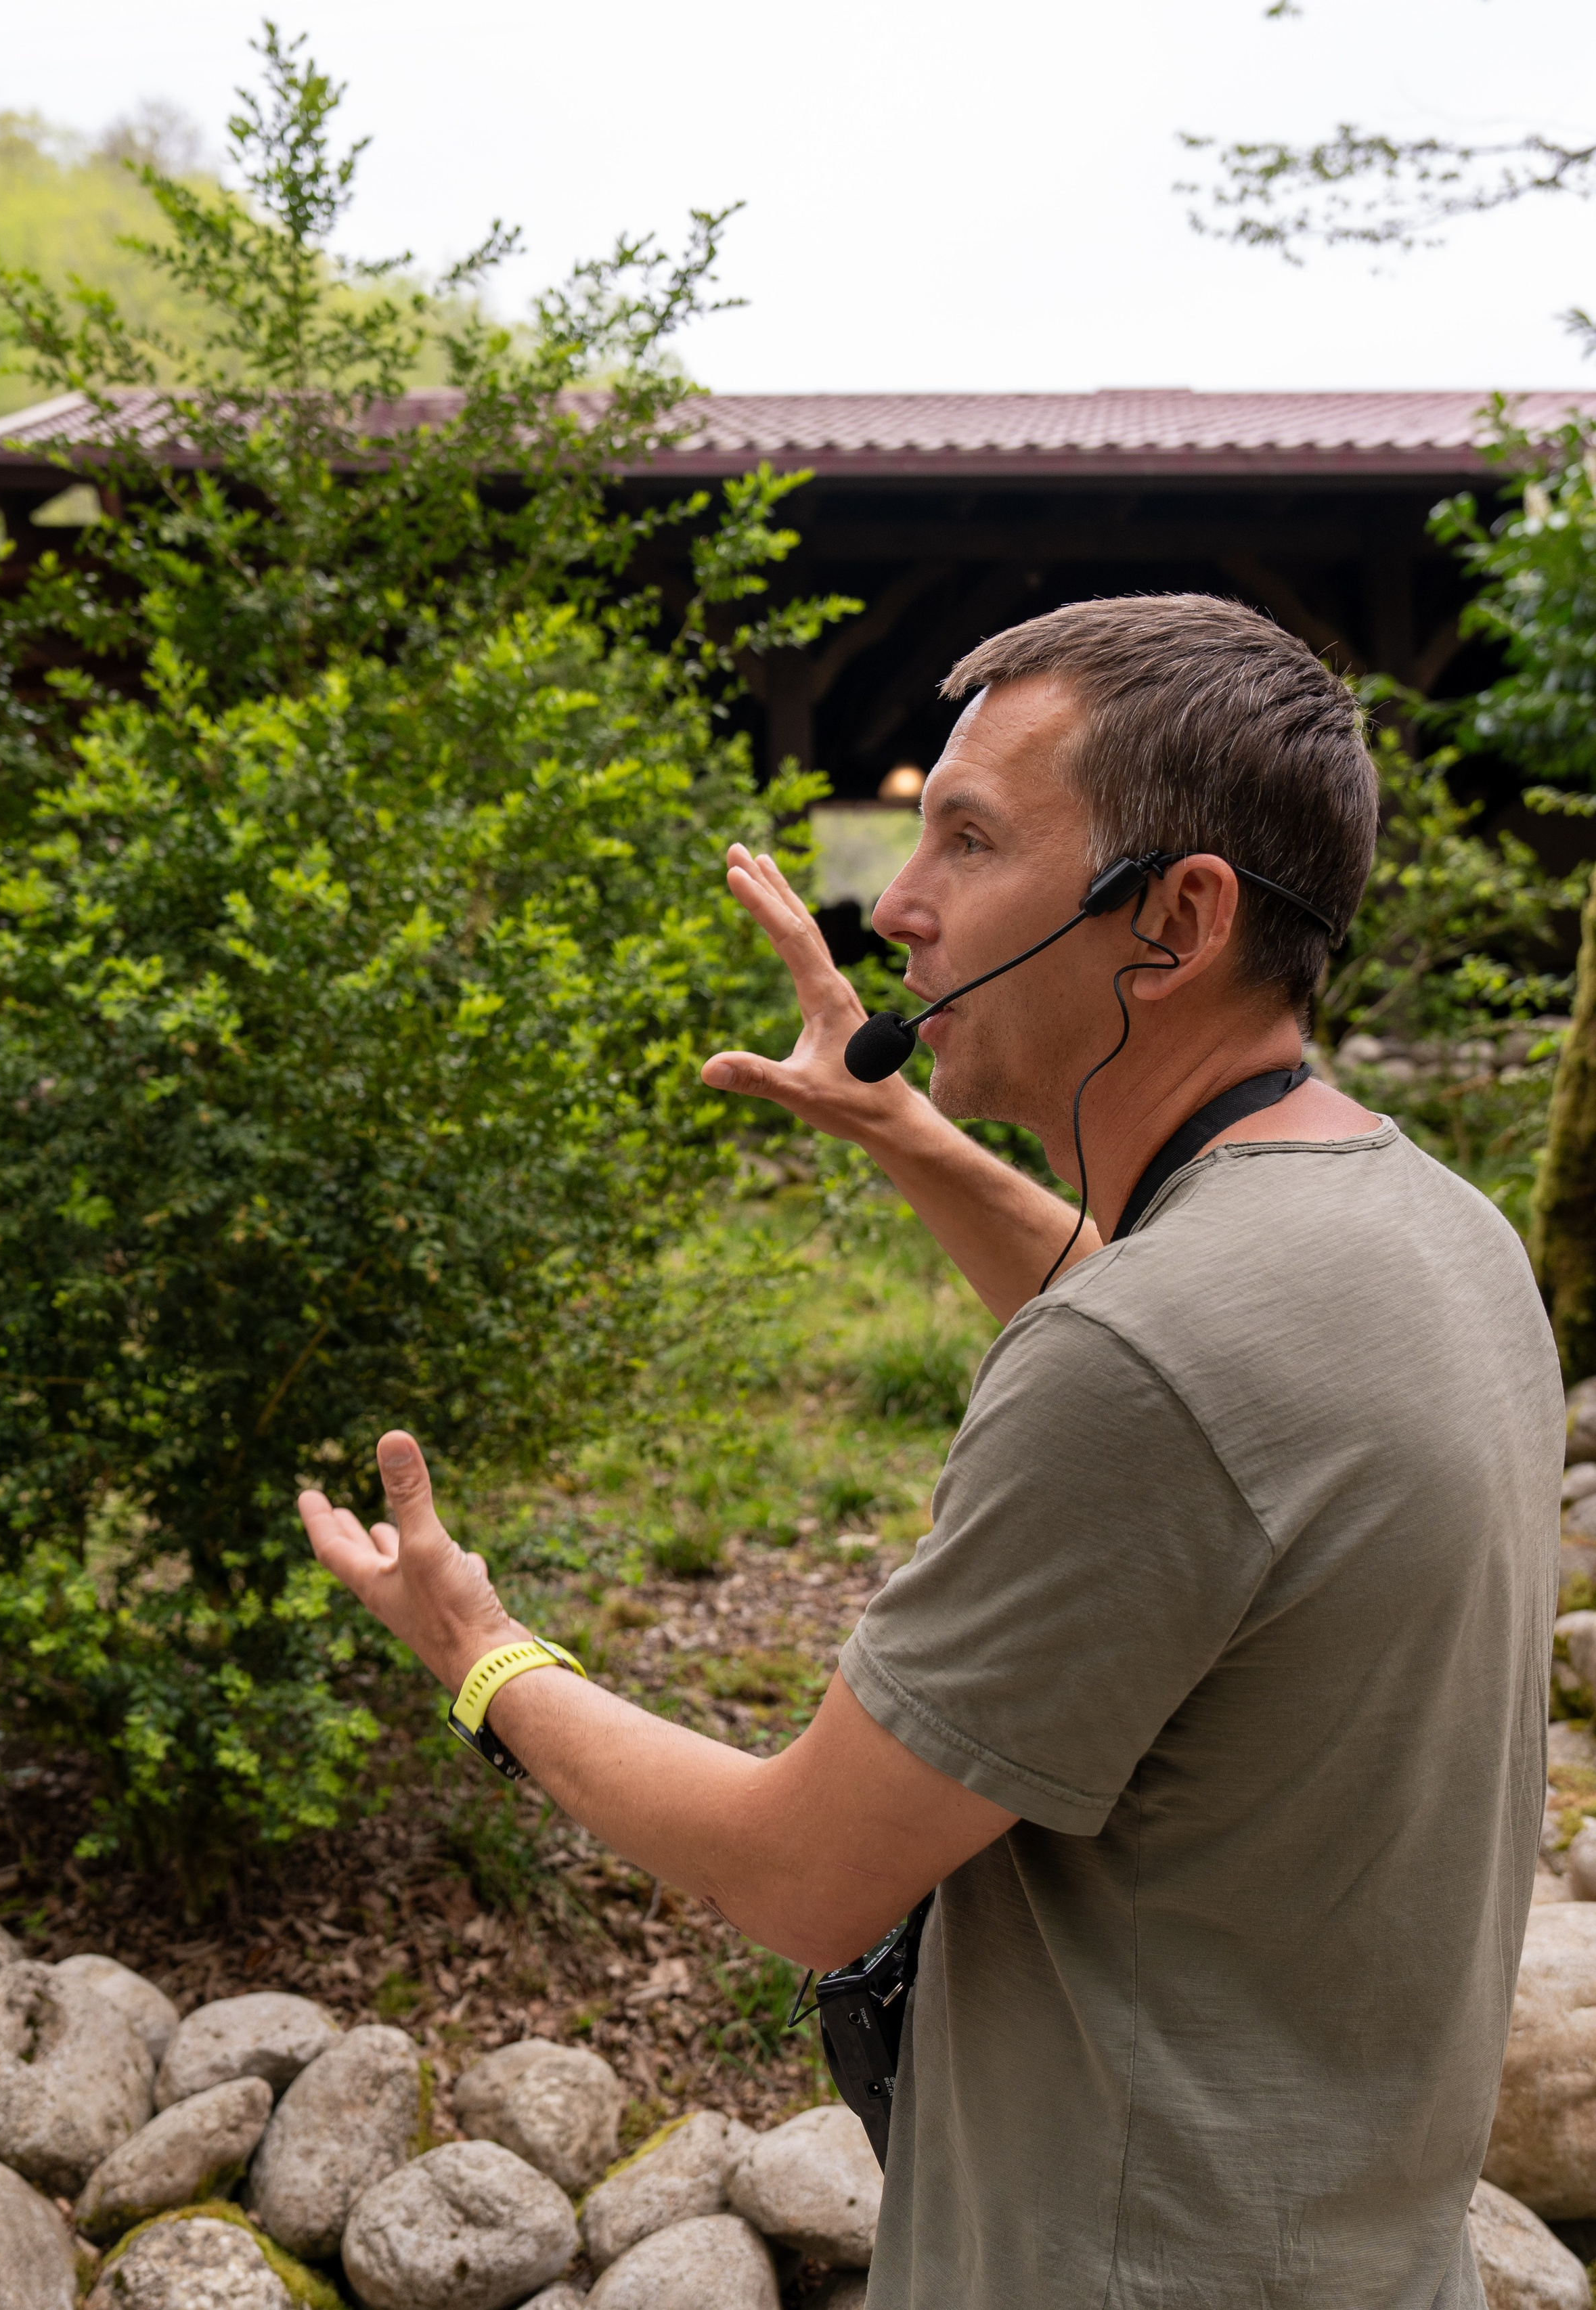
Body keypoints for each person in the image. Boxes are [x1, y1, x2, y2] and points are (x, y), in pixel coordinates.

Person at [299, 594, 1563, 2309]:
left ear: (1174, 919)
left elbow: (800, 1871)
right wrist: (909, 1130)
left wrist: (479, 1656)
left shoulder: (1146, 1364)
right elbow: (1199, 1372)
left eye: (965, 841)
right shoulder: (1434, 1232)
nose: (893, 906)